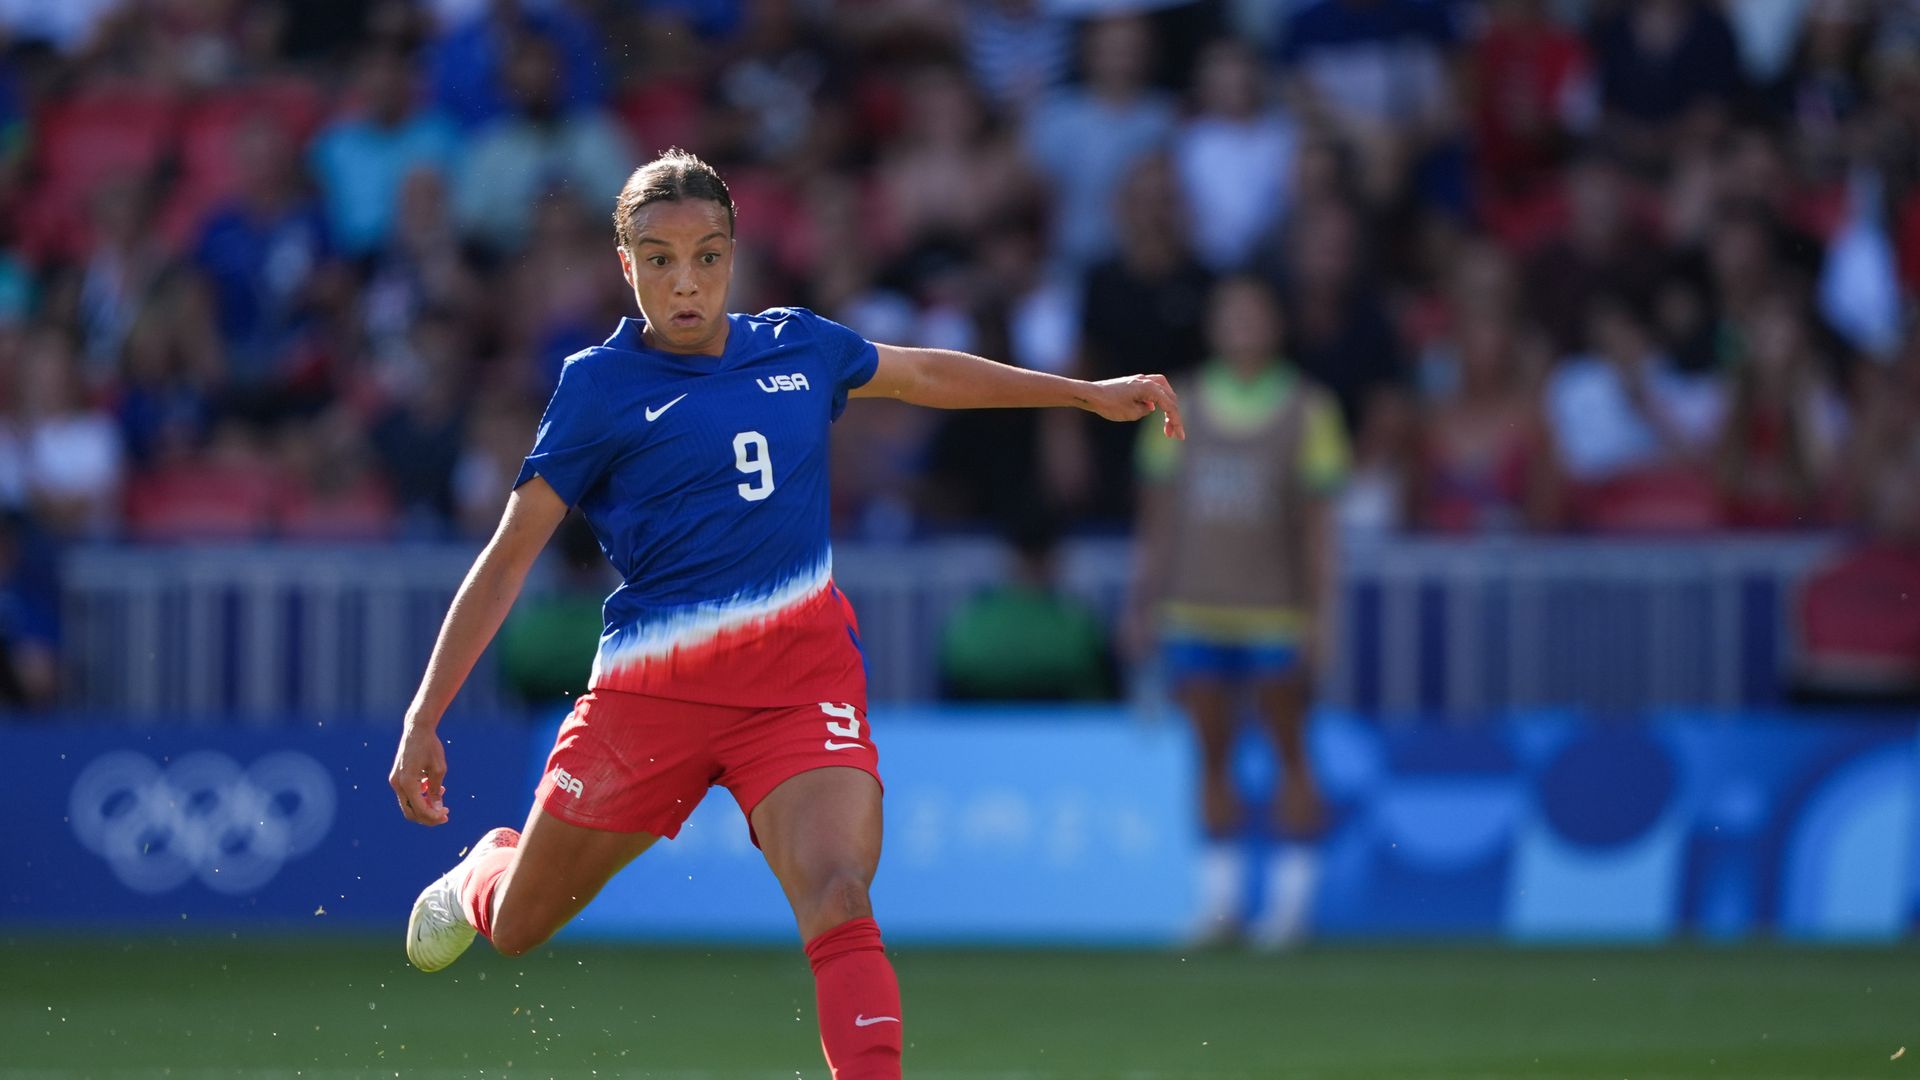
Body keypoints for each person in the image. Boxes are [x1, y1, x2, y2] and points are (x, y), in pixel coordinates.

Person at [387, 149, 1183, 1080]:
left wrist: (1082, 394)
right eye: (659, 260)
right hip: (652, 695)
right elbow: (508, 557)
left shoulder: (797, 346)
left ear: (735, 256)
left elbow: (924, 375)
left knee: (839, 894)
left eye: (707, 256)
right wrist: (425, 714)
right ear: (626, 265)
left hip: (799, 687)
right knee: (521, 925)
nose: (686, 282)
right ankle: (486, 870)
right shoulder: (597, 386)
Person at [1129, 275, 1346, 950]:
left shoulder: (1310, 409)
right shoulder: (1179, 402)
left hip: (1276, 612)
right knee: (1211, 755)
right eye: (1232, 314)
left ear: (1277, 324)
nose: (1244, 326)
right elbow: (1157, 520)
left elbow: (1321, 530)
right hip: (1195, 607)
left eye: (1256, 313)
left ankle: (1290, 908)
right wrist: (1142, 601)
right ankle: (1219, 906)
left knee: (1290, 753)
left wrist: (1323, 614)